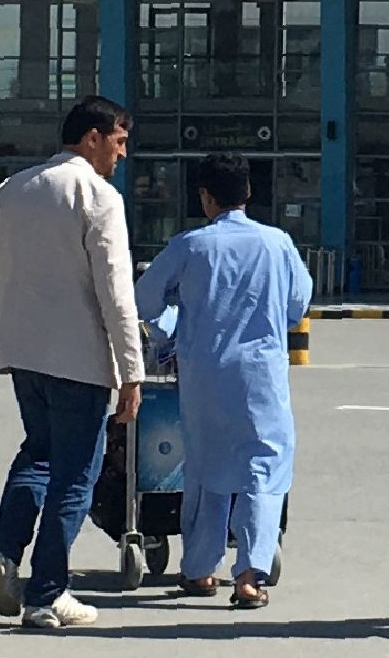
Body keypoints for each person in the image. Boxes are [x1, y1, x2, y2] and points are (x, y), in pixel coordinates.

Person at [0, 97, 145, 631]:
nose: (122, 154)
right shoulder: (98, 196)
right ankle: (46, 593)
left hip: (21, 355)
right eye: (119, 142)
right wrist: (131, 372)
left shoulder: (12, 189)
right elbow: (116, 291)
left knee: (38, 454)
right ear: (92, 138)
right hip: (79, 360)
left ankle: (2, 550)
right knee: (76, 475)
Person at [132, 154, 312, 611]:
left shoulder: (190, 246)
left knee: (205, 469)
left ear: (205, 197)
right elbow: (297, 305)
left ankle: (199, 568)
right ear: (248, 192)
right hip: (261, 377)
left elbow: (144, 300)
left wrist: (177, 313)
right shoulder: (277, 244)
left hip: (204, 376)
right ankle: (250, 575)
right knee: (264, 469)